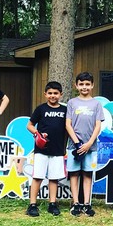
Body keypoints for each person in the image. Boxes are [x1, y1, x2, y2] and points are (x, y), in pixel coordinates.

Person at [65, 71, 104, 217]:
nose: (84, 87)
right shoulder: (72, 103)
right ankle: (76, 203)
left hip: (91, 147)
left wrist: (88, 143)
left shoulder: (96, 104)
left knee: (87, 174)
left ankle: (87, 203)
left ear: (92, 85)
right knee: (74, 174)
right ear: (76, 85)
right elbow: (68, 124)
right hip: (73, 146)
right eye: (81, 84)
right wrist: (77, 143)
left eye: (87, 84)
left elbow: (98, 125)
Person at [26, 81, 68, 217]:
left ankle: (52, 204)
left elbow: (68, 128)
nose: (53, 96)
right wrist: (37, 134)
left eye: (55, 93)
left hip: (58, 150)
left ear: (61, 94)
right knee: (37, 176)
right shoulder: (40, 109)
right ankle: (32, 204)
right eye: (50, 93)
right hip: (41, 149)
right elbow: (30, 125)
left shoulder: (64, 110)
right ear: (45, 94)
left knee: (54, 178)